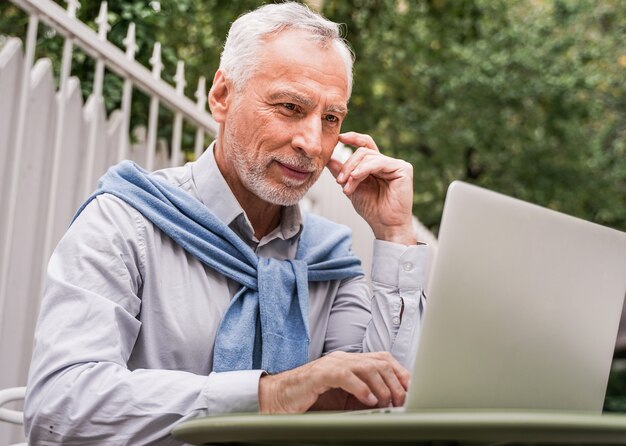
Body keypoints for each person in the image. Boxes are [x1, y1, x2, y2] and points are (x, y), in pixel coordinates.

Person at [24, 2, 429, 444]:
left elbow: (380, 405)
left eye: (331, 118)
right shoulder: (126, 220)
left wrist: (393, 234)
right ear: (222, 96)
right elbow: (59, 406)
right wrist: (268, 395)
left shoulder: (328, 258)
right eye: (291, 106)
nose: (313, 142)